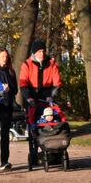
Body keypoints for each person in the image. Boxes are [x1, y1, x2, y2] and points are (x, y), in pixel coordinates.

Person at [17, 39, 63, 169]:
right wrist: (28, 98)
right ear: (34, 52)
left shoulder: (51, 64)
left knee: (50, 121)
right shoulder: (27, 64)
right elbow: (23, 83)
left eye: (43, 51)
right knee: (33, 124)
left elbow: (57, 83)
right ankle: (33, 152)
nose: (42, 53)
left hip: (47, 97)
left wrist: (52, 96)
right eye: (39, 51)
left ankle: (51, 150)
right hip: (32, 96)